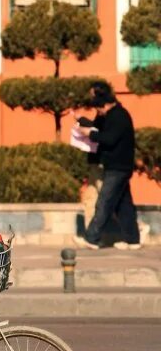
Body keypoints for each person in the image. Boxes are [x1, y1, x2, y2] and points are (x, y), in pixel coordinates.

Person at [77, 92, 140, 250]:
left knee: (104, 201)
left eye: (99, 109)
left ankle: (91, 238)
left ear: (105, 105)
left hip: (118, 167)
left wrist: (90, 134)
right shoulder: (114, 115)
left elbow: (109, 138)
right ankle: (132, 240)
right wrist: (82, 122)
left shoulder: (118, 116)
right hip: (119, 166)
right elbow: (99, 128)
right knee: (123, 204)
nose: (99, 113)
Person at [78, 82, 114, 227]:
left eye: (93, 94)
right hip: (94, 160)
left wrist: (89, 133)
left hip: (102, 162)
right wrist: (81, 120)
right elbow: (95, 127)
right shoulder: (100, 114)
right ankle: (90, 235)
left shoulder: (111, 115)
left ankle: (138, 227)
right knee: (89, 198)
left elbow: (103, 135)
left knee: (109, 199)